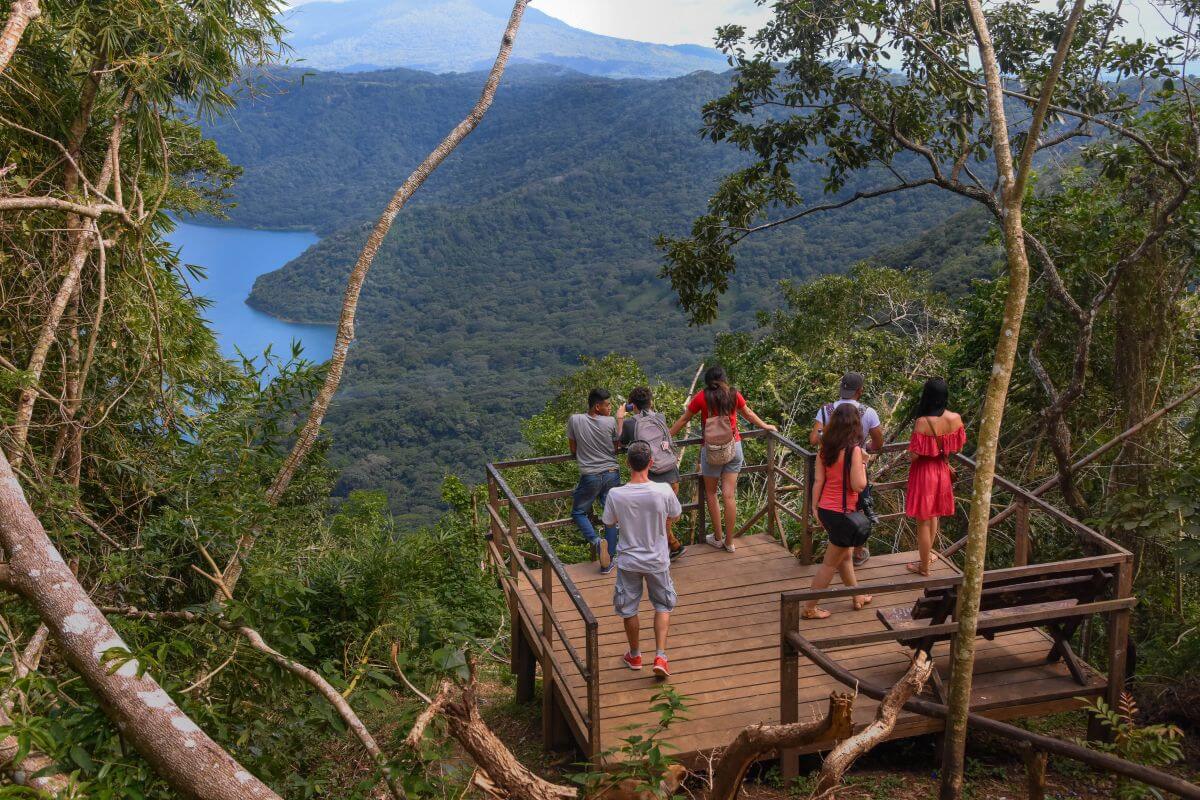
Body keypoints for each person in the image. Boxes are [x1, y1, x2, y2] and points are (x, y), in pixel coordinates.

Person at [669, 365, 776, 553]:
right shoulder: (733, 394)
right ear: (723, 378)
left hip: (711, 451)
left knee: (711, 494)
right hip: (733, 447)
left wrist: (667, 436)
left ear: (707, 381)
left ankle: (717, 538)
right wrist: (766, 426)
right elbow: (748, 414)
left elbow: (684, 419)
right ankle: (729, 541)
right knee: (729, 495)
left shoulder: (701, 397)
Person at [603, 441, 683, 678]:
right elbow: (676, 515)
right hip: (657, 559)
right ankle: (660, 656)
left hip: (629, 560)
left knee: (629, 608)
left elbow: (609, 522)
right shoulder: (663, 490)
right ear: (651, 462)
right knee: (663, 605)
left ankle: (635, 654)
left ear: (627, 463)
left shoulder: (616, 494)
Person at [803, 403, 873, 619]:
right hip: (843, 514)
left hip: (826, 509)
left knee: (845, 556)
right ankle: (809, 608)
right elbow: (858, 485)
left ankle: (856, 596)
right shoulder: (854, 451)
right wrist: (864, 463)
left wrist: (814, 507)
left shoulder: (825, 449)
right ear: (855, 425)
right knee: (829, 564)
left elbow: (818, 481)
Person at [808, 371, 883, 567]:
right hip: (857, 467)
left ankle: (840, 551)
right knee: (858, 507)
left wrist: (829, 440)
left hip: (830, 466)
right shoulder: (868, 412)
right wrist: (864, 449)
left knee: (834, 505)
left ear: (841, 388)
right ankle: (854, 552)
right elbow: (878, 442)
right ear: (860, 391)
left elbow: (814, 439)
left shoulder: (826, 409)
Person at [905, 378, 966, 576]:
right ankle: (927, 557)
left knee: (923, 520)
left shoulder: (922, 422)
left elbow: (914, 456)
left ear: (927, 396)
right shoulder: (955, 418)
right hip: (942, 470)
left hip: (924, 473)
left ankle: (923, 567)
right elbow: (958, 446)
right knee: (934, 515)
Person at [618, 386, 686, 560]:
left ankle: (665, 550)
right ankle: (673, 546)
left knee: (655, 517)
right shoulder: (660, 417)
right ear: (650, 402)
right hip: (671, 473)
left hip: (652, 476)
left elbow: (621, 442)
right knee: (665, 516)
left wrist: (620, 417)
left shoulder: (630, 423)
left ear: (632, 405)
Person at [567, 388, 620, 574]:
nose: (610, 408)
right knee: (610, 515)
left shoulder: (575, 420)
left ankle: (597, 543)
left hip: (590, 475)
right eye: (607, 405)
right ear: (597, 407)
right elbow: (616, 446)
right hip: (612, 472)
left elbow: (573, 449)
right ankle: (609, 559)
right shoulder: (611, 422)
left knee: (578, 512)